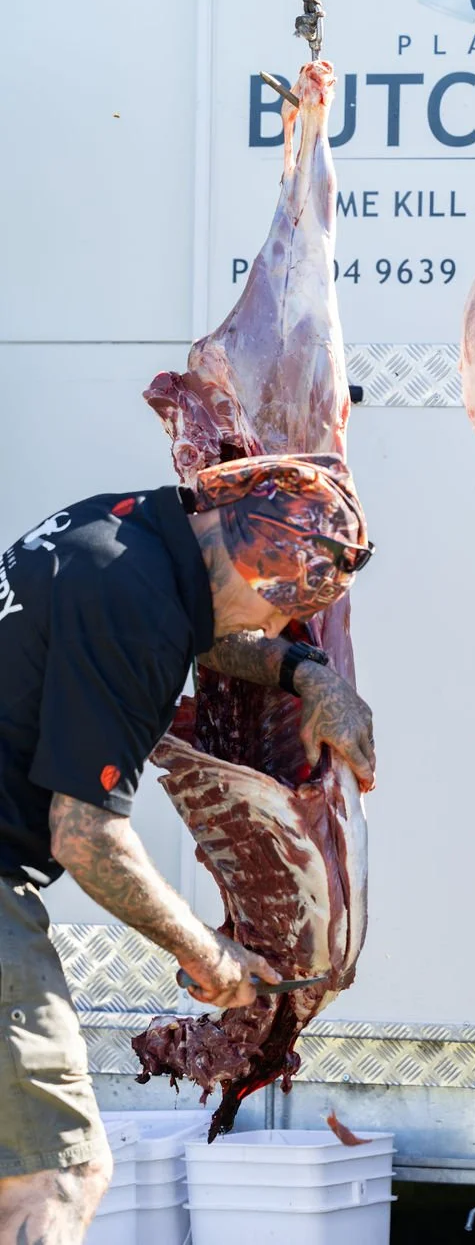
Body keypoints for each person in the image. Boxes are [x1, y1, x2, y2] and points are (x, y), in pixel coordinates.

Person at [0, 452, 376, 1244]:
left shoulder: (122, 531)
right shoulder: (138, 600)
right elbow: (87, 835)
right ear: (252, 554)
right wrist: (212, 956)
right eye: (280, 609)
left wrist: (305, 671)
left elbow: (203, 633)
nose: (272, 628)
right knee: (58, 1174)